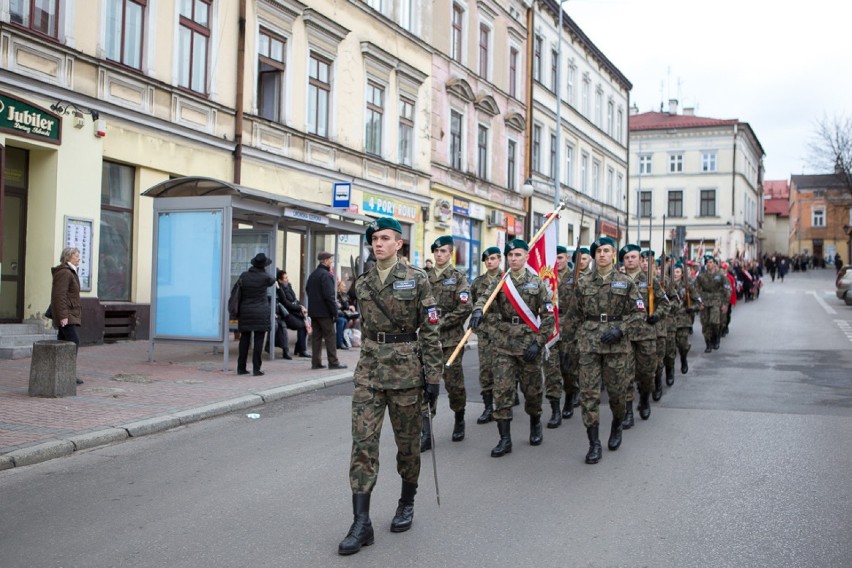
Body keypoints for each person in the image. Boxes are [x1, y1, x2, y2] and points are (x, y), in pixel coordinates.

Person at [337, 217, 442, 556]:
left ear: (399, 244)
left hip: (407, 373)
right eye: (374, 239)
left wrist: (433, 378)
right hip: (369, 370)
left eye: (384, 239)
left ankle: (406, 502)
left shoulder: (417, 280)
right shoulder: (364, 283)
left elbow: (429, 331)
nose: (377, 244)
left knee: (408, 445)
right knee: (363, 443)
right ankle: (361, 522)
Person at [469, 239, 555, 458]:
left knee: (532, 392)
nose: (514, 259)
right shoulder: (499, 281)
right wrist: (478, 311)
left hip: (528, 345)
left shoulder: (536, 283)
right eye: (510, 255)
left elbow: (548, 317)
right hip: (503, 344)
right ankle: (504, 439)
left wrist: (539, 343)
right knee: (502, 392)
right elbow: (483, 299)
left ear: (526, 256)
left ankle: (535, 422)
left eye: (518, 255)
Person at [567, 237, 644, 464]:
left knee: (617, 394)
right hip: (588, 345)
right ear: (594, 255)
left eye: (606, 250)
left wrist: (620, 329)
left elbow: (638, 313)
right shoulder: (582, 283)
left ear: (613, 254)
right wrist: (567, 346)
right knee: (588, 395)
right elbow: (573, 316)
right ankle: (594, 443)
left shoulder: (625, 282)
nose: (601, 254)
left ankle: (617, 424)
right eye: (598, 251)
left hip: (616, 346)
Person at [421, 235, 472, 449]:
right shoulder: (424, 277)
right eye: (436, 251)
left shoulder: (458, 277)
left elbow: (465, 307)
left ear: (450, 254)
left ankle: (459, 418)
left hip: (451, 341)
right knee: (426, 384)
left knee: (454, 385)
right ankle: (426, 432)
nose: (439, 254)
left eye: (443, 251)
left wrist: (441, 323)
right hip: (428, 342)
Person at [618, 244, 660, 428]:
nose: (630, 260)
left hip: (646, 334)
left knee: (647, 373)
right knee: (625, 374)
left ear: (640, 259)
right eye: (626, 257)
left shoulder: (649, 280)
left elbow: (667, 301)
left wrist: (657, 314)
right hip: (624, 335)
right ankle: (628, 411)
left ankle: (644, 399)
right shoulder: (617, 280)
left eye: (633, 257)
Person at [470, 246, 503, 425]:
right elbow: (473, 304)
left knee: (504, 370)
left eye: (493, 258)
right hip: (485, 333)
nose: (489, 262)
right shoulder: (477, 283)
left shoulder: (507, 279)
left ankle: (503, 403)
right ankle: (488, 407)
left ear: (499, 260)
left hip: (504, 332)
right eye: (487, 259)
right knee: (486, 370)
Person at [235, 253, 276, 376]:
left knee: (244, 339)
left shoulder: (244, 276)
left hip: (245, 311)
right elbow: (273, 279)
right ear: (264, 265)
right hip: (260, 312)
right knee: (258, 339)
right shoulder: (265, 277)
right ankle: (256, 369)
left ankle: (241, 368)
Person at [306, 252, 347, 370]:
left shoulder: (313, 275)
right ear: (325, 261)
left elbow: (308, 290)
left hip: (314, 311)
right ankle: (333, 362)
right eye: (330, 260)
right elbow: (329, 296)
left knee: (316, 337)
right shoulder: (326, 275)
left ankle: (316, 362)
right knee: (330, 336)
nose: (331, 262)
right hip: (324, 312)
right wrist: (334, 312)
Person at [51, 247, 84, 385]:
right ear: (68, 257)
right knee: (73, 341)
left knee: (63, 341)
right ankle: (68, 373)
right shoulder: (65, 273)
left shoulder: (70, 272)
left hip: (69, 313)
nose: (79, 258)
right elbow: (59, 296)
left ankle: (60, 373)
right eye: (76, 256)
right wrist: (63, 316)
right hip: (66, 314)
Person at [696, 255, 728, 352]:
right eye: (707, 262)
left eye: (710, 262)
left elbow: (727, 289)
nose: (709, 264)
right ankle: (708, 344)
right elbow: (696, 289)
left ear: (714, 263)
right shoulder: (701, 276)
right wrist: (699, 302)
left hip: (716, 301)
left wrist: (725, 303)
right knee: (705, 324)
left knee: (715, 322)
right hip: (705, 302)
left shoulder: (721, 276)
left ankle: (716, 336)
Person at [277, 270, 309, 357]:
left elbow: (295, 299)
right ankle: (301, 350)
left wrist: (302, 306)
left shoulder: (288, 286)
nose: (287, 279)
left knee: (306, 324)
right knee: (302, 325)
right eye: (285, 278)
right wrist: (299, 308)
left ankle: (300, 349)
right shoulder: (280, 289)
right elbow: (286, 303)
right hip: (287, 314)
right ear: (280, 280)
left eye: (287, 277)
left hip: (294, 312)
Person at [336, 279, 360, 349]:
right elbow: (339, 306)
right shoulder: (337, 295)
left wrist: (351, 307)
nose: (345, 287)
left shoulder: (346, 295)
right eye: (343, 286)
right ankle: (344, 338)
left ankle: (349, 337)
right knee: (349, 321)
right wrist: (348, 307)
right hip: (341, 314)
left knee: (357, 320)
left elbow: (349, 303)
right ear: (339, 287)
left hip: (347, 313)